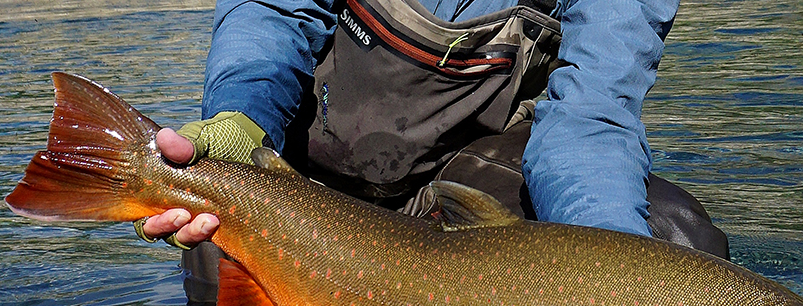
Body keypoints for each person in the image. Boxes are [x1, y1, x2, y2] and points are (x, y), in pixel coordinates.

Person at [139, 0, 728, 262]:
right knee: (227, 262)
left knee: (676, 245)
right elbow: (273, 14)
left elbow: (590, 118)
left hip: (463, 194)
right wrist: (240, 124)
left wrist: (611, 268)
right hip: (303, 192)